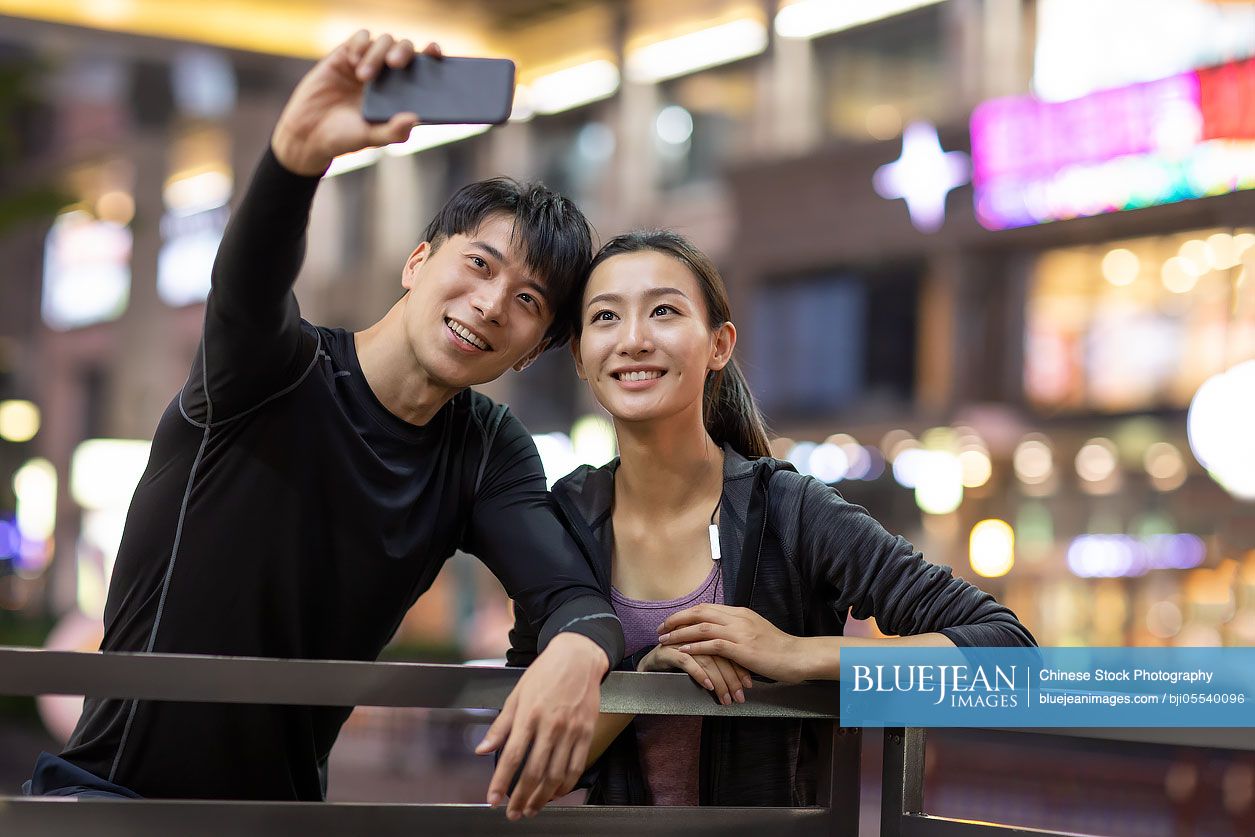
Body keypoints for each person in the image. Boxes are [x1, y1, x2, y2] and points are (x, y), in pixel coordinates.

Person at [25, 32, 623, 821]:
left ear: (529, 351)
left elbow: (563, 591)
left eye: (528, 301)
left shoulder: (482, 449)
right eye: (479, 265)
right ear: (417, 262)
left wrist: (582, 644)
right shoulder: (272, 367)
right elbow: (246, 284)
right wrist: (295, 158)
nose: (489, 303)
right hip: (111, 800)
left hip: (289, 816)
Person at [508, 230, 1037, 806]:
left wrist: (796, 654)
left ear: (719, 345)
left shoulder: (792, 511)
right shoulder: (562, 520)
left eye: (664, 310)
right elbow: (524, 763)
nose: (634, 339)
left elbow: (1010, 658)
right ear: (581, 356)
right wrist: (648, 680)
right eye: (606, 316)